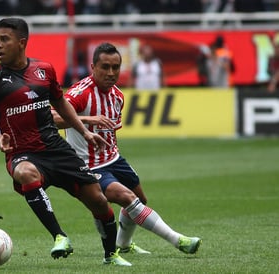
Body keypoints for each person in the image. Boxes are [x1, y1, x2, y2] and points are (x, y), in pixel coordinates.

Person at [0, 17, 131, 266]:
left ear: (21, 42)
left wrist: (85, 131)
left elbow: (61, 104)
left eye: (4, 39)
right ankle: (59, 236)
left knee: (98, 200)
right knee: (26, 173)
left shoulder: (44, 70)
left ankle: (111, 255)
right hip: (21, 152)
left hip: (55, 149)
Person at [52, 42, 202, 256]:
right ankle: (179, 241)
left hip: (113, 159)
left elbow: (110, 133)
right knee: (126, 197)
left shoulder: (118, 96)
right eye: (105, 67)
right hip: (88, 165)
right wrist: (86, 118)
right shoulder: (80, 93)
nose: (111, 73)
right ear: (93, 67)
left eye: (116, 67)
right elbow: (52, 117)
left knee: (140, 200)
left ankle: (123, 244)